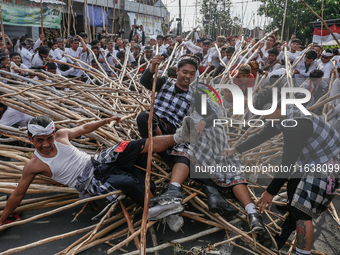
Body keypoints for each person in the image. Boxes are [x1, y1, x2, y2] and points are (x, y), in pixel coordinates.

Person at [0, 115, 198, 226]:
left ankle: (180, 136)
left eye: (48, 138)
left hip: (97, 160)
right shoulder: (33, 165)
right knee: (126, 183)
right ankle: (152, 211)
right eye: (39, 140)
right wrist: (2, 220)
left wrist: (105, 121)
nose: (46, 144)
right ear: (29, 139)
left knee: (128, 145)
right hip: (89, 181)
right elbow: (18, 194)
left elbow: (84, 127)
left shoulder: (60, 136)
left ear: (53, 134)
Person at [223, 87, 340, 254]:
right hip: (312, 159)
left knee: (302, 212)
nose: (262, 117)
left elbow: (287, 164)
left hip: (329, 165)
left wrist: (269, 192)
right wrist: (235, 149)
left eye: (264, 112)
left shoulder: (296, 126)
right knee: (294, 196)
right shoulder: (285, 112)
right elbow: (262, 135)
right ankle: (288, 222)